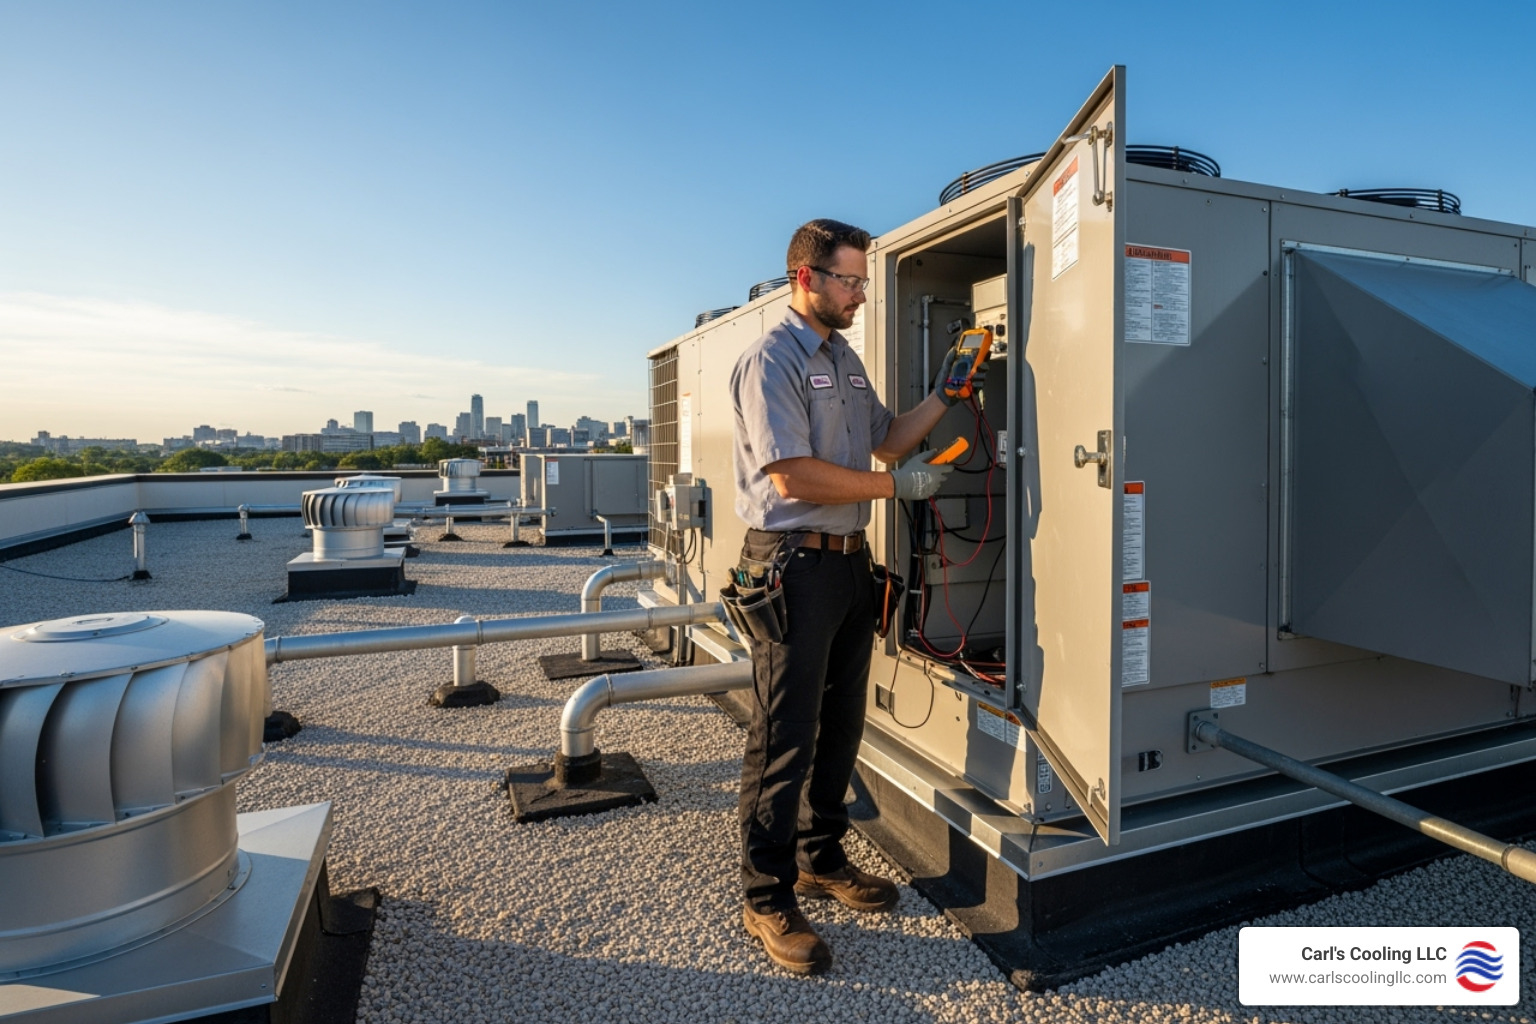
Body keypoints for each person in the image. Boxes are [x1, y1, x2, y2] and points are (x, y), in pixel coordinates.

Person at [729, 218, 983, 974]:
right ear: (806, 278)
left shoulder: (843, 359)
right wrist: (893, 488)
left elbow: (889, 440)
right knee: (784, 738)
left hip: (845, 564)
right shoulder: (770, 360)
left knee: (840, 725)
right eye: (850, 280)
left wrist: (945, 394)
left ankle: (820, 857)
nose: (862, 295)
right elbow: (792, 476)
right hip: (790, 565)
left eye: (865, 281)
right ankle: (765, 895)